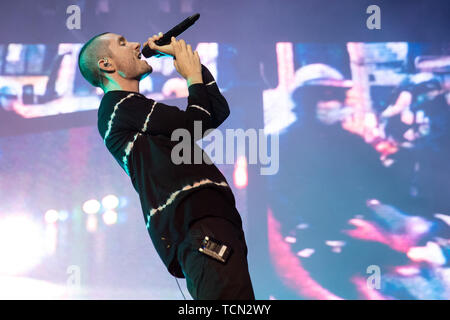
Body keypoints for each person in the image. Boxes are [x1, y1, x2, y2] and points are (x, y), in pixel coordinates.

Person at [78, 32, 254, 300]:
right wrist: (191, 75)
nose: (136, 44)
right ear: (106, 64)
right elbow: (194, 126)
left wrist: (190, 64)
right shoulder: (119, 106)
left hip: (208, 219)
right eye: (123, 43)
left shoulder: (134, 108)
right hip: (196, 221)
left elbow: (215, 112)